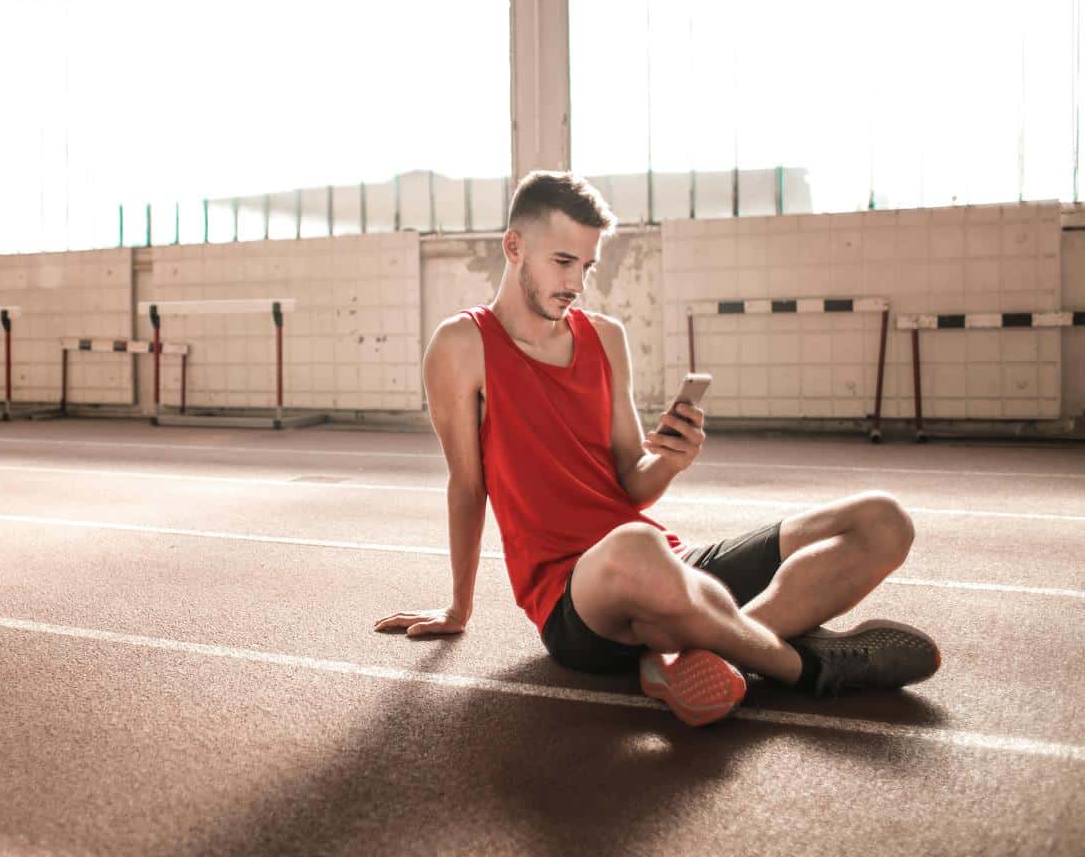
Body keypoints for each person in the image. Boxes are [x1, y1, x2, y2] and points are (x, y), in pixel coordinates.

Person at [374, 170, 940, 727]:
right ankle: (804, 666)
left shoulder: (606, 337)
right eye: (563, 262)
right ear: (514, 246)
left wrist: (670, 459)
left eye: (587, 265)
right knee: (636, 546)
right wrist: (458, 606)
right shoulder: (462, 344)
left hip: (671, 573)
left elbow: (632, 482)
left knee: (882, 520)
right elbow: (467, 487)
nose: (576, 282)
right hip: (578, 603)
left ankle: (697, 654)